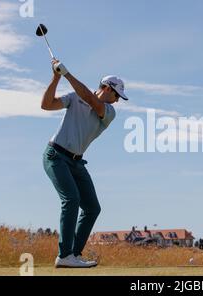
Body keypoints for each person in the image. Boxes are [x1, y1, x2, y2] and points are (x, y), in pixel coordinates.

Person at [41, 59, 128, 268]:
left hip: (76, 163)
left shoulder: (108, 112)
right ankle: (64, 255)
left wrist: (67, 74)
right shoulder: (74, 98)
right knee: (71, 200)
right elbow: (46, 104)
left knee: (92, 208)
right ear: (107, 88)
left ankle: (73, 255)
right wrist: (55, 78)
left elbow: (89, 98)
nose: (117, 101)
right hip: (55, 155)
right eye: (116, 95)